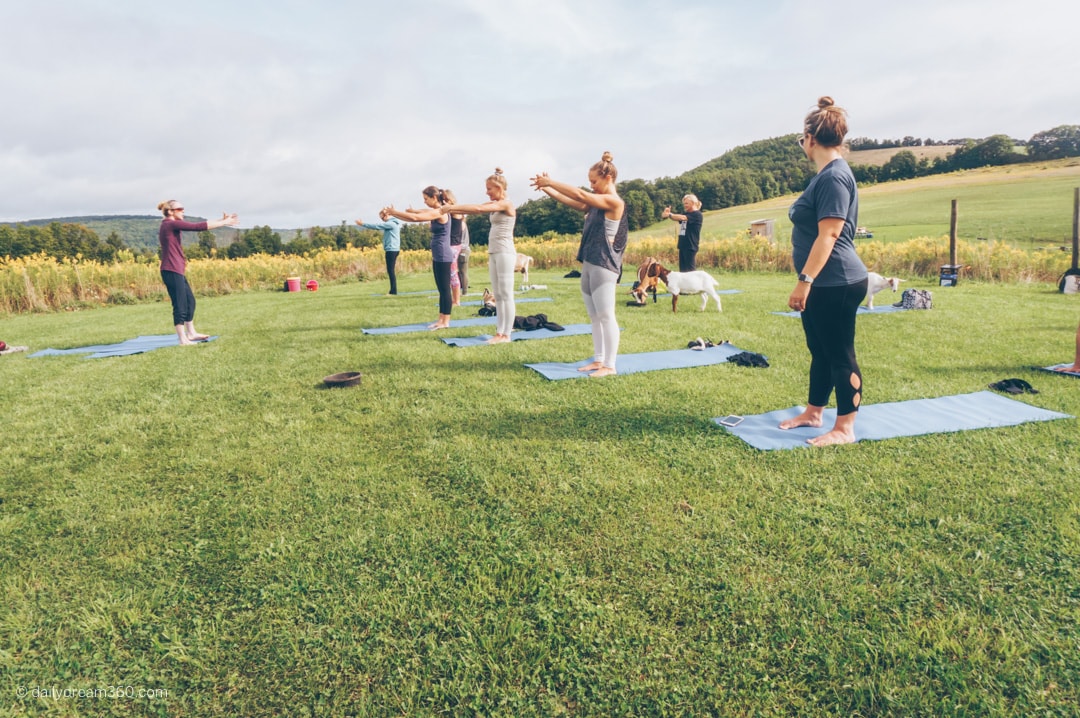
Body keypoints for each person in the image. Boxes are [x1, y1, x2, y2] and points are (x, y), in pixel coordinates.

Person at [778, 97, 868, 446]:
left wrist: (805, 281)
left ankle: (844, 427)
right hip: (825, 281)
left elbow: (829, 234)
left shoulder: (834, 177)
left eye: (802, 140)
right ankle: (814, 412)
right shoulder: (827, 176)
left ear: (810, 139)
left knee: (840, 353)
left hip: (836, 281)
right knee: (820, 350)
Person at [531, 152, 627, 376]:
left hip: (605, 265)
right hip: (590, 262)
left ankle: (609, 365)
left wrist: (551, 181)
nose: (591, 185)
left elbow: (579, 194)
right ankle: (598, 359)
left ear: (607, 177)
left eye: (594, 181)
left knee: (606, 315)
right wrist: (547, 189)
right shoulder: (595, 202)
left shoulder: (613, 201)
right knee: (594, 317)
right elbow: (572, 200)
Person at [441, 169, 517, 343]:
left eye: (489, 188)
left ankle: (506, 334)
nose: (487, 192)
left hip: (505, 251)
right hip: (494, 252)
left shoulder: (507, 204)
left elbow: (478, 209)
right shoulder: (497, 204)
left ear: (499, 187)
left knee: (506, 294)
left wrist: (451, 207)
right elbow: (476, 206)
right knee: (497, 295)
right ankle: (499, 333)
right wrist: (449, 208)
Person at [156, 200, 239, 345]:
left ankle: (192, 333)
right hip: (171, 269)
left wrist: (223, 220)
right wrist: (224, 223)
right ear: (170, 212)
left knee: (190, 301)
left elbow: (198, 225)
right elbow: (198, 227)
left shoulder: (171, 224)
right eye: (180, 209)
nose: (183, 211)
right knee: (180, 304)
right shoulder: (169, 224)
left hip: (176, 269)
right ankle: (183, 339)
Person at [384, 187, 453, 329]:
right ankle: (441, 320)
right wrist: (396, 215)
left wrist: (394, 212)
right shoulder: (435, 211)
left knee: (445, 289)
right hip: (438, 254)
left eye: (426, 199)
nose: (425, 202)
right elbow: (414, 216)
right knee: (441, 289)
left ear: (434, 197)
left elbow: (416, 218)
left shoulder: (441, 211)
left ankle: (446, 321)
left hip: (443, 254)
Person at [355, 210, 404, 295]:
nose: (382, 220)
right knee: (390, 271)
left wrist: (362, 224)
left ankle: (393, 291)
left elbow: (377, 226)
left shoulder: (391, 224)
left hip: (391, 250)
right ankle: (393, 290)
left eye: (382, 217)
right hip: (393, 249)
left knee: (391, 271)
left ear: (386, 215)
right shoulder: (393, 223)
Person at [661, 194, 703, 271]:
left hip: (690, 246)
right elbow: (676, 217)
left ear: (693, 203)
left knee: (690, 271)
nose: (685, 205)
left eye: (686, 203)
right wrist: (667, 214)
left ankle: (694, 283)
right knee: (683, 271)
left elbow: (682, 217)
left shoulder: (697, 214)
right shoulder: (687, 214)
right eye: (684, 204)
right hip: (683, 245)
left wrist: (669, 214)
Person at [443, 189, 468, 306]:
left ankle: (457, 300)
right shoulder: (450, 212)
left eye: (444, 200)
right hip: (450, 245)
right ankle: (452, 298)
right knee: (449, 273)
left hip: (453, 245)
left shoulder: (455, 211)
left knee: (453, 273)